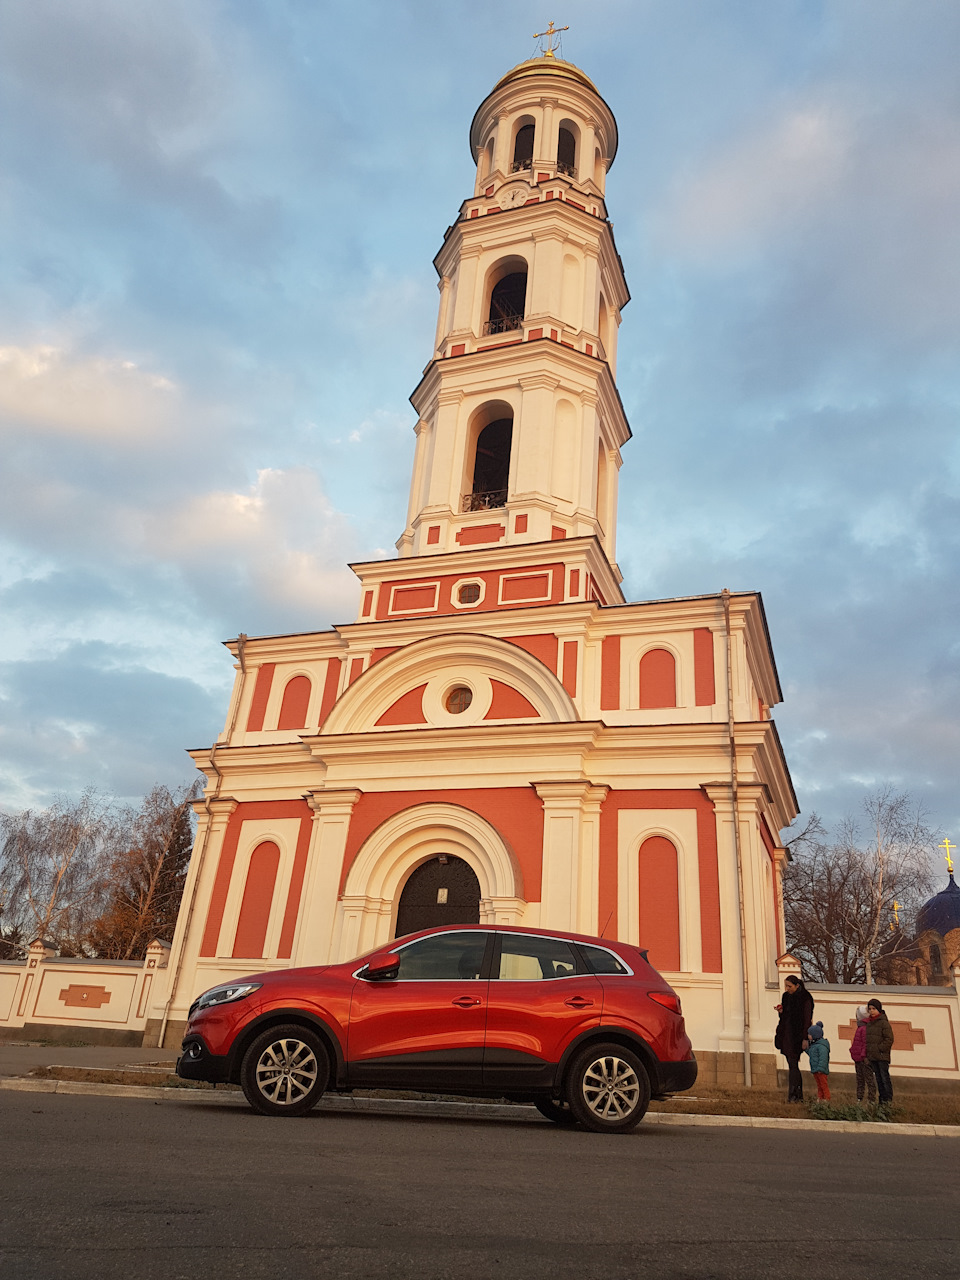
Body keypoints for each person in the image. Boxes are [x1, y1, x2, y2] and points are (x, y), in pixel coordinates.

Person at [774, 975, 814, 1101]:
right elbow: (785, 1016)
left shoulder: (805, 998)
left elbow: (807, 1019)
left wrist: (804, 1038)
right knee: (792, 1064)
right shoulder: (786, 997)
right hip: (786, 1034)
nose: (787, 989)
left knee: (793, 1063)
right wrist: (781, 1012)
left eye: (789, 986)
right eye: (785, 986)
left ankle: (793, 1095)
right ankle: (797, 1094)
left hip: (796, 1035)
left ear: (797, 986)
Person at [865, 997, 895, 1104]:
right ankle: (882, 1100)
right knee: (878, 1079)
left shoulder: (883, 1023)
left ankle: (888, 1100)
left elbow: (889, 1039)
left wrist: (879, 1049)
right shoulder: (869, 1024)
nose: (871, 1011)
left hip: (882, 1056)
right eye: (870, 1009)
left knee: (884, 1078)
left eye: (874, 1008)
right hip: (873, 1057)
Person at [849, 1005, 876, 1104]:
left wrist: (864, 1056)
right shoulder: (860, 1027)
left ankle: (871, 1099)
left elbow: (865, 1043)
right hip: (857, 1058)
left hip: (863, 1058)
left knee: (869, 1079)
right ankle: (859, 1098)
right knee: (859, 1079)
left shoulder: (864, 1028)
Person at [804, 1021, 830, 1100]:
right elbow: (812, 1055)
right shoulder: (814, 1045)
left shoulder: (822, 1046)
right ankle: (820, 1098)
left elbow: (823, 1058)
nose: (808, 1036)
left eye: (809, 1034)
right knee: (819, 1086)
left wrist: (820, 1068)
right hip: (816, 1069)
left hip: (820, 1070)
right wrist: (806, 1049)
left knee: (823, 1085)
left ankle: (826, 1099)